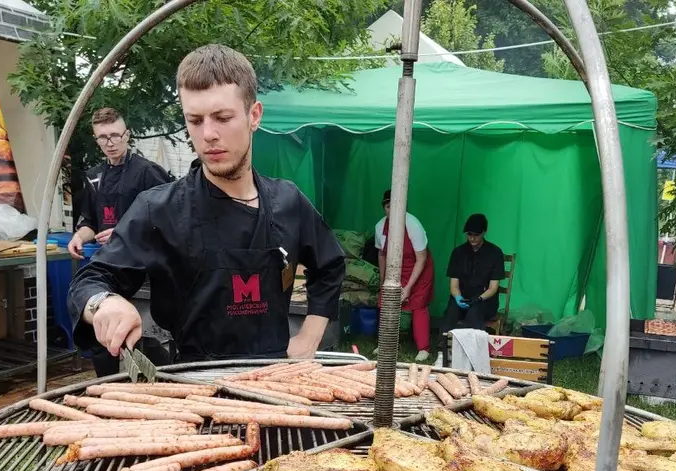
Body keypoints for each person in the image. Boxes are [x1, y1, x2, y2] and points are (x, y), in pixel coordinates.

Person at [68, 45, 345, 364]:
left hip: (276, 377)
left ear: (254, 115)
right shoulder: (159, 209)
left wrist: (310, 334)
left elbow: (329, 265)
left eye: (223, 117)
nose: (209, 134)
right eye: (195, 120)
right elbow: (90, 280)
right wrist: (103, 303)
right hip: (192, 383)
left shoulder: (288, 201)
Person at [67, 107, 175, 376]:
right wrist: (79, 237)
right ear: (96, 139)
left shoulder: (149, 173)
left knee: (145, 336)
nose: (110, 143)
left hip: (145, 269)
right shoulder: (93, 177)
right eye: (103, 138)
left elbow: (168, 222)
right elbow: (91, 222)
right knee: (102, 331)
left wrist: (122, 232)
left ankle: (166, 381)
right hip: (110, 267)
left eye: (115, 135)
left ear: (127, 135)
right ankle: (108, 387)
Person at [375, 189, 434, 362]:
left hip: (418, 267)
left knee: (418, 305)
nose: (391, 210)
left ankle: (423, 349)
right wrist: (383, 279)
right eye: (387, 206)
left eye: (395, 206)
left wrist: (408, 288)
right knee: (385, 302)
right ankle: (385, 343)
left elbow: (421, 258)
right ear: (384, 208)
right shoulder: (380, 227)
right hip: (395, 268)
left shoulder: (413, 224)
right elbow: (382, 255)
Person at [437, 213, 505, 335]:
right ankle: (443, 350)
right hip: (462, 297)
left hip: (485, 300)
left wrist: (479, 299)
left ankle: (473, 351)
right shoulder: (458, 253)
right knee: (451, 311)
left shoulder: (495, 253)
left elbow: (493, 288)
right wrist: (458, 298)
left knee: (475, 312)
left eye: (476, 235)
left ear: (484, 232)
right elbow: (454, 285)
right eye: (469, 234)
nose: (472, 238)